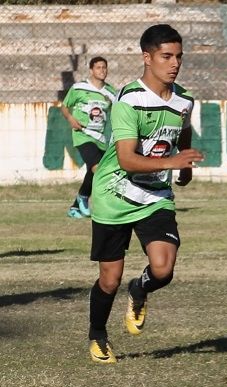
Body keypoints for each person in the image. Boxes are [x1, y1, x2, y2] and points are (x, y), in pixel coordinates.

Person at [86, 24, 204, 363]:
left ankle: (140, 289)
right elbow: (126, 159)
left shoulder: (185, 100)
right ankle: (98, 334)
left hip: (154, 196)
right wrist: (174, 160)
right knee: (109, 280)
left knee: (163, 269)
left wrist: (184, 165)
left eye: (179, 57)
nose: (175, 63)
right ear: (147, 57)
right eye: (167, 56)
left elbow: (183, 131)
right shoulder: (129, 100)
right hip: (114, 194)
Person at [61, 56, 116, 218]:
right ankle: (86, 198)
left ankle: (75, 207)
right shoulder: (79, 88)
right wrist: (71, 118)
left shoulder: (110, 92)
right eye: (98, 67)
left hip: (100, 138)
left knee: (95, 172)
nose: (102, 71)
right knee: (96, 168)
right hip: (83, 135)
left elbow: (117, 112)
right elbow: (65, 107)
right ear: (91, 70)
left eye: (104, 67)